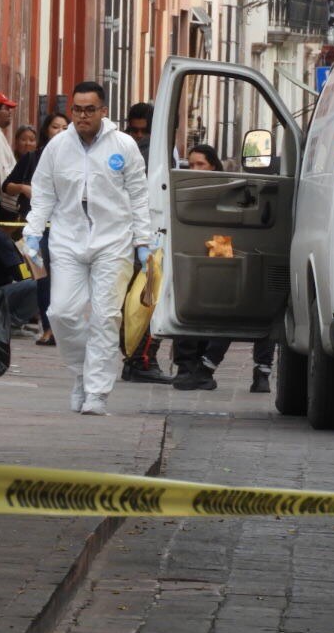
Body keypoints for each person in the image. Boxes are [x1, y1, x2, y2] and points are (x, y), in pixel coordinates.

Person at [24, 81, 151, 416]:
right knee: (61, 312)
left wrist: (143, 241)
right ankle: (81, 372)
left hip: (113, 240)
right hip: (67, 238)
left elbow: (139, 196)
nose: (82, 116)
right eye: (77, 110)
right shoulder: (57, 147)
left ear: (103, 111)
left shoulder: (123, 145)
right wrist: (33, 233)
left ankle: (97, 391)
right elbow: (43, 193)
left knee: (105, 317)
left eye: (89, 110)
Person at [170, 143, 274, 393]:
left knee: (232, 311)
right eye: (191, 164)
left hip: (221, 257)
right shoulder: (181, 187)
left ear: (213, 166)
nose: (194, 169)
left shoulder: (225, 189)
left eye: (200, 164)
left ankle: (208, 368)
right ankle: (192, 367)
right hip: (195, 259)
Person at [4, 112, 69, 346]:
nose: (59, 131)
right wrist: (24, 188)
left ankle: (62, 328)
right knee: (42, 279)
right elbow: (7, 186)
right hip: (36, 229)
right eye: (55, 127)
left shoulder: (77, 159)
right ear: (46, 130)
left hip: (66, 228)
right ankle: (48, 328)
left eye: (64, 127)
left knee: (65, 279)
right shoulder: (32, 158)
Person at [120, 102, 171, 384]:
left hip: (149, 239)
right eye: (134, 130)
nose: (139, 136)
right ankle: (141, 360)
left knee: (143, 300)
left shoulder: (158, 152)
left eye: (144, 131)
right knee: (148, 301)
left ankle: (136, 358)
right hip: (143, 241)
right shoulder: (138, 153)